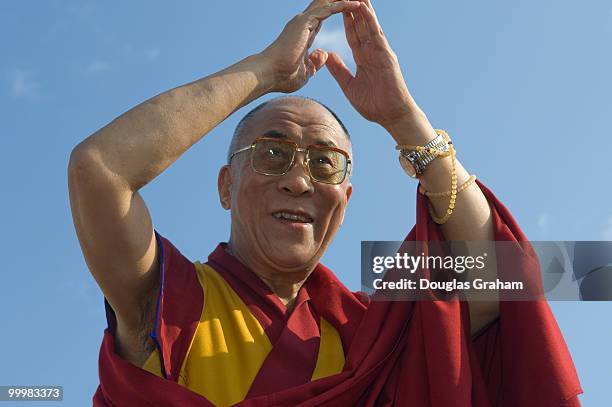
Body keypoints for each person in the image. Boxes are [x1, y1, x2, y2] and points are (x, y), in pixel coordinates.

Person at [68, 0, 582, 405]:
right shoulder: (168, 302)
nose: (298, 180)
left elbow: (504, 278)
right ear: (226, 185)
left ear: (346, 198)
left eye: (324, 163)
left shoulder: (372, 337)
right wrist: (265, 71)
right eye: (271, 154)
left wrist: (404, 120)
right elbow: (101, 169)